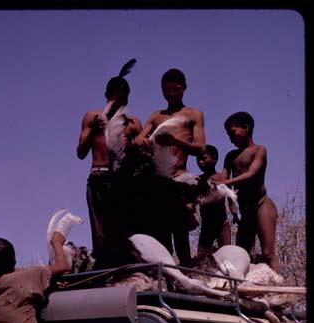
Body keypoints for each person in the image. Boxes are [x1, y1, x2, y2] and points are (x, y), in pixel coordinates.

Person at [135, 68, 206, 264]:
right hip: (158, 182)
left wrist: (175, 141)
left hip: (179, 180)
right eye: (166, 91)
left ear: (184, 88)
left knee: (181, 234)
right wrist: (142, 142)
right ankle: (169, 281)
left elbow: (200, 147)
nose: (171, 94)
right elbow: (138, 140)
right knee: (161, 235)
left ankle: (185, 278)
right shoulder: (156, 116)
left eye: (175, 90)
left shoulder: (193, 114)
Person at [77, 60, 142, 268]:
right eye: (113, 95)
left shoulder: (133, 123)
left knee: (123, 230)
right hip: (98, 175)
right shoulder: (92, 117)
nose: (116, 100)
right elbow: (80, 152)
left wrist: (138, 145)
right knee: (100, 233)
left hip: (122, 180)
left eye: (121, 97)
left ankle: (123, 271)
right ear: (107, 95)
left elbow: (141, 156)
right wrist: (94, 130)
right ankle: (104, 272)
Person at [217, 111, 279, 272]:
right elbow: (223, 183)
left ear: (246, 128)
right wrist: (231, 203)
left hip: (261, 204)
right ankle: (241, 289)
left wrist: (224, 183)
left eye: (233, 133)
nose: (230, 138)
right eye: (228, 135)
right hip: (245, 210)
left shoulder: (259, 150)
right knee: (240, 253)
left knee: (268, 253)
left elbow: (251, 174)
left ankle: (281, 290)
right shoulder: (230, 156)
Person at [195, 145, 232, 258]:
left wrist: (235, 214)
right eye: (198, 160)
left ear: (215, 159)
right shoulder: (198, 180)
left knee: (227, 255)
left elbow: (229, 196)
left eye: (204, 158)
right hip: (206, 225)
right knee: (202, 256)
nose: (200, 162)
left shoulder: (221, 177)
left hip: (222, 223)